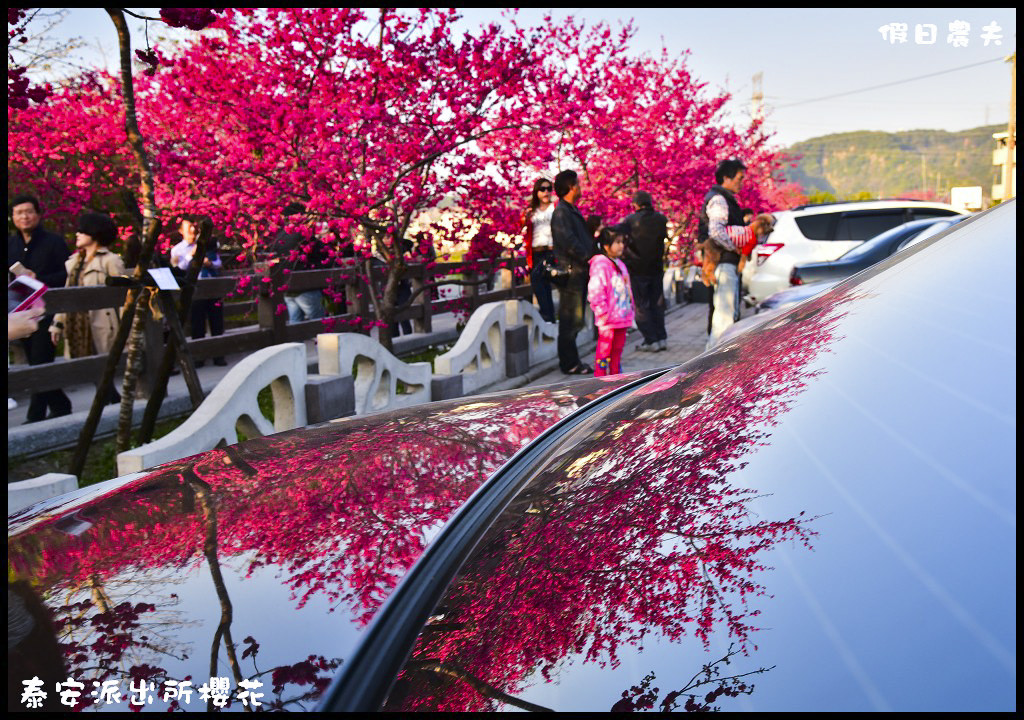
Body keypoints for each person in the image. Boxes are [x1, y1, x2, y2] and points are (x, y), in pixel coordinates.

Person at [8, 194, 72, 422]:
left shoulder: (54, 242)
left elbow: (67, 274)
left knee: (39, 361)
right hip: (19, 312)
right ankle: (61, 404)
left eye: (28, 211)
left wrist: (39, 278)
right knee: (38, 361)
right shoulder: (10, 244)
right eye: (19, 212)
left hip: (47, 309)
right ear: (13, 217)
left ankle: (35, 416)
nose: (24, 216)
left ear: (38, 214)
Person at [49, 212, 126, 403]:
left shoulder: (111, 260)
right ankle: (111, 402)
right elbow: (67, 294)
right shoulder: (73, 263)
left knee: (102, 367)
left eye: (82, 231)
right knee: (93, 369)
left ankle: (111, 403)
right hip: (78, 323)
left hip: (103, 322)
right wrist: (57, 323)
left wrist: (129, 328)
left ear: (95, 233)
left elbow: (124, 297)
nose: (77, 234)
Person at [698, 160, 773, 349]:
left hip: (725, 262)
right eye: (739, 178)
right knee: (724, 316)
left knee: (724, 314)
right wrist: (735, 247)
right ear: (726, 178)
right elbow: (716, 231)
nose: (742, 182)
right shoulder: (719, 200)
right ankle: (715, 362)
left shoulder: (724, 198)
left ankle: (713, 359)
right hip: (724, 263)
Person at [550, 169, 594, 375]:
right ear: (571, 187)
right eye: (578, 183)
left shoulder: (571, 210)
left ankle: (572, 359)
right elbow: (568, 241)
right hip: (571, 274)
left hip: (579, 273)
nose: (580, 187)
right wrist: (587, 255)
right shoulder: (561, 212)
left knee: (575, 319)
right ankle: (569, 363)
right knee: (569, 319)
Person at [614, 190, 669, 352]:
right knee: (657, 303)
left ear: (636, 205)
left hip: (638, 269)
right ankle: (661, 338)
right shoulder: (661, 219)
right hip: (656, 268)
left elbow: (617, 231)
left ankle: (651, 340)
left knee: (641, 306)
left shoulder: (631, 220)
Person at [171, 215, 226, 366]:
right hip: (194, 291)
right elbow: (178, 269)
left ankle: (218, 355)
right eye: (189, 228)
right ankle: (199, 357)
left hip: (212, 288)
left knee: (217, 323)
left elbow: (218, 263)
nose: (193, 230)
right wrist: (190, 256)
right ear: (181, 231)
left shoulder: (207, 244)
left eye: (194, 227)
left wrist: (209, 262)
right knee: (197, 324)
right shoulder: (177, 250)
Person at [588, 228, 635, 376]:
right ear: (606, 246)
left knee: (618, 349)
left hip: (622, 317)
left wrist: (630, 309)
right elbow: (596, 291)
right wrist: (602, 312)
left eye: (622, 242)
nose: (621, 245)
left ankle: (616, 377)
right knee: (604, 350)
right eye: (617, 242)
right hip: (607, 319)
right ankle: (600, 379)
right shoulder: (600, 265)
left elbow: (627, 288)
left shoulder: (620, 264)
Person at [273, 202, 327, 324]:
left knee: (295, 324)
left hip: (287, 286)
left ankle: (297, 343)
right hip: (306, 285)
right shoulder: (303, 234)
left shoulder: (280, 236)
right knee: (319, 324)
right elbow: (321, 253)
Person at [522, 178, 556, 323]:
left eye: (549, 189)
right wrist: (525, 219)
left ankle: (548, 315)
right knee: (538, 283)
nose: (546, 192)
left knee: (542, 281)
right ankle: (548, 316)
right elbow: (524, 229)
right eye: (542, 189)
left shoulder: (555, 207)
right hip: (535, 251)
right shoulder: (531, 210)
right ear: (536, 192)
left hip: (550, 250)